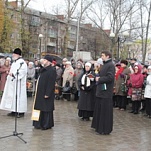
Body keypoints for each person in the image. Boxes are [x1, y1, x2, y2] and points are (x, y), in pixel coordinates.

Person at [91, 50, 115, 135]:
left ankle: (104, 128)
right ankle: (98, 126)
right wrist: (95, 77)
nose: (102, 57)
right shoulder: (105, 65)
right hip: (100, 91)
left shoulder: (111, 65)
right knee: (99, 110)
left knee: (105, 111)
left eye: (103, 55)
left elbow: (110, 77)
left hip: (106, 92)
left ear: (108, 56)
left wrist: (99, 79)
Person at [0, 48, 27, 118]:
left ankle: (20, 111)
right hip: (12, 83)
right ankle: (13, 110)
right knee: (12, 97)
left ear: (18, 55)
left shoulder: (22, 63)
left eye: (14, 54)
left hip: (18, 84)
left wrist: (14, 74)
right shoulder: (15, 62)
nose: (13, 55)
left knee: (18, 97)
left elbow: (22, 71)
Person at [33, 55, 56, 130]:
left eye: (45, 60)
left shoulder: (52, 70)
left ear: (49, 62)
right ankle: (38, 123)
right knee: (38, 107)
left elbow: (51, 83)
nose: (43, 61)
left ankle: (46, 124)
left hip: (46, 93)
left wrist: (47, 93)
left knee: (46, 108)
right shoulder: (43, 69)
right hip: (40, 92)